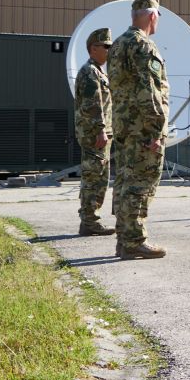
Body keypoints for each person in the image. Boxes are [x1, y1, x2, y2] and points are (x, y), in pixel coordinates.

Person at [106, 0, 171, 259]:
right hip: (142, 128)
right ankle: (134, 241)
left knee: (124, 180)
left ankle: (124, 238)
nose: (157, 23)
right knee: (140, 183)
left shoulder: (119, 45)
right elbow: (150, 89)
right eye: (157, 17)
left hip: (123, 126)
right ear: (152, 15)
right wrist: (155, 129)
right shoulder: (143, 46)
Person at [74, 27, 115, 236]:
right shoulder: (90, 72)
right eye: (105, 46)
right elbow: (94, 104)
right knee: (93, 178)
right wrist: (100, 130)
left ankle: (91, 219)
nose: (109, 50)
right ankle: (89, 221)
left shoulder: (98, 72)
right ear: (93, 49)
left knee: (100, 177)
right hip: (94, 135)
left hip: (101, 133)